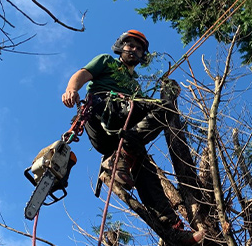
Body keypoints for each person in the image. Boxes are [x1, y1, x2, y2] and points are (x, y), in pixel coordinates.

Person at [61, 30, 203, 245]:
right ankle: (122, 155)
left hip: (122, 132)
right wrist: (71, 89)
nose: (134, 49)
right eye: (130, 45)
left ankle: (172, 228)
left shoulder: (135, 85)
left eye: (139, 48)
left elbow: (148, 109)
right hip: (103, 112)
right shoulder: (106, 61)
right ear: (121, 46)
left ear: (143, 55)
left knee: (147, 173)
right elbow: (82, 74)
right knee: (158, 108)